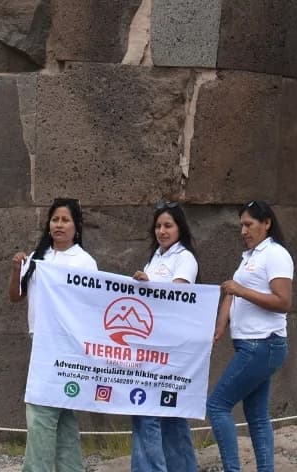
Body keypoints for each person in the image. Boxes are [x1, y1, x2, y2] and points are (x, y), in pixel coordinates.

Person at [8, 198, 97, 472]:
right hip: (41, 342)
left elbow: (92, 304)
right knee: (63, 417)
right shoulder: (38, 258)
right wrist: (15, 269)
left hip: (67, 345)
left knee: (40, 413)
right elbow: (16, 296)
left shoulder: (84, 262)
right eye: (55, 219)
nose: (59, 225)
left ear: (76, 226)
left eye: (65, 220)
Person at [207, 201, 294, 472]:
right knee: (256, 416)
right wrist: (220, 326)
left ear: (266, 223)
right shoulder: (250, 256)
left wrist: (240, 290)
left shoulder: (275, 255)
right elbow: (231, 294)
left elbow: (283, 302)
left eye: (249, 224)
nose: (243, 230)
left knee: (217, 405)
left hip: (262, 344)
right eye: (241, 225)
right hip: (251, 344)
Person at [128, 202, 201, 472]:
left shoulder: (185, 259)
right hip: (153, 345)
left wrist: (148, 284)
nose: (162, 231)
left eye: (168, 225)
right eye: (158, 226)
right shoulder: (155, 257)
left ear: (180, 227)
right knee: (171, 416)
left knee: (146, 413)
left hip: (171, 348)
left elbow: (178, 296)